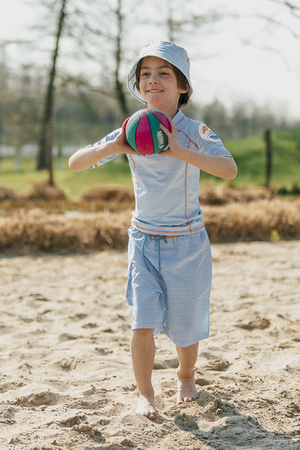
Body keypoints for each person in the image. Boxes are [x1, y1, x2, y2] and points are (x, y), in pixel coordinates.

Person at [69, 41, 238, 420]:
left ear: (182, 86)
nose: (153, 80)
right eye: (145, 73)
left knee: (185, 325)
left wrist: (179, 151)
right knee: (142, 321)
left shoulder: (195, 130)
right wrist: (114, 145)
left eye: (164, 73)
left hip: (188, 241)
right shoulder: (129, 129)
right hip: (143, 240)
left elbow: (228, 170)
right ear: (138, 84)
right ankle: (145, 394)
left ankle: (186, 374)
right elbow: (75, 163)